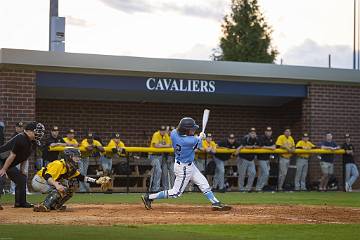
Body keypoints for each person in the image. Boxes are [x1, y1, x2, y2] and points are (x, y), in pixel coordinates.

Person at [141, 117, 231, 211]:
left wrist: (199, 137)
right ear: (185, 130)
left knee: (203, 182)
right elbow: (199, 145)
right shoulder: (189, 141)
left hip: (188, 165)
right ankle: (149, 197)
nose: (193, 130)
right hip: (184, 168)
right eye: (191, 129)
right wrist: (201, 137)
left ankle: (215, 203)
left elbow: (191, 136)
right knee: (176, 193)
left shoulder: (174, 133)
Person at [32, 148, 109, 212]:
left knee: (71, 187)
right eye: (76, 156)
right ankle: (44, 205)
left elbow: (81, 177)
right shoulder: (59, 164)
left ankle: (55, 205)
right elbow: (46, 175)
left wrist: (96, 181)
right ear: (69, 156)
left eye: (78, 157)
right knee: (63, 187)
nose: (78, 158)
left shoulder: (71, 167)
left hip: (48, 182)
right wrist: (56, 185)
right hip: (40, 181)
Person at [0, 121, 45, 208]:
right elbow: (12, 155)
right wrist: (4, 169)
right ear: (28, 131)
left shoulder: (32, 142)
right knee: (1, 177)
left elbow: (24, 157)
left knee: (22, 178)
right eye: (36, 131)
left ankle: (20, 203)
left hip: (8, 162)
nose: (39, 134)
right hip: (2, 159)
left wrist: (21, 170)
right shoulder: (21, 138)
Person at [148, 126, 171, 192]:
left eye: (164, 130)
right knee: (158, 171)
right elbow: (156, 145)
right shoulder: (156, 134)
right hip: (153, 156)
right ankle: (155, 189)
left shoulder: (166, 135)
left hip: (161, 155)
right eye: (161, 130)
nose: (163, 132)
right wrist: (165, 146)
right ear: (159, 130)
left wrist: (161, 146)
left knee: (165, 171)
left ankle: (166, 189)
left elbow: (169, 145)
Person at [235, 128, 259, 192]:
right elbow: (244, 146)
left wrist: (253, 147)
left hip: (251, 159)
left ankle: (248, 188)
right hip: (243, 158)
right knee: (242, 174)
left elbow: (259, 146)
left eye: (254, 133)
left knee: (253, 173)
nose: (253, 134)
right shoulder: (245, 138)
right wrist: (253, 147)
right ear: (249, 133)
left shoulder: (257, 139)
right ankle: (241, 188)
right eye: (251, 133)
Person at [256, 127, 275, 192]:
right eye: (267, 131)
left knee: (262, 174)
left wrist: (268, 147)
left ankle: (258, 188)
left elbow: (274, 147)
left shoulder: (271, 138)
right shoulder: (261, 138)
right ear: (265, 132)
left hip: (267, 159)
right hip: (261, 158)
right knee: (266, 173)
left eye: (270, 131)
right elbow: (261, 146)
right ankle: (259, 187)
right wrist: (270, 147)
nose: (269, 132)